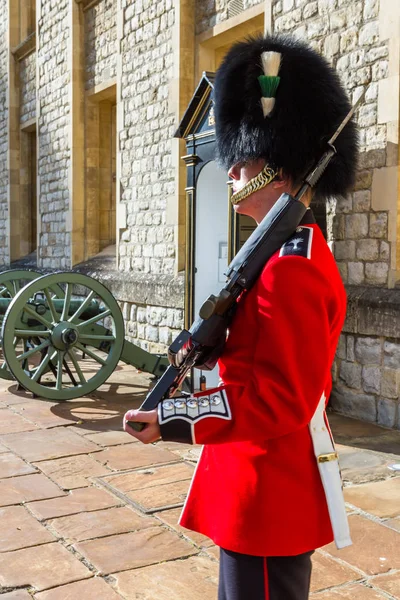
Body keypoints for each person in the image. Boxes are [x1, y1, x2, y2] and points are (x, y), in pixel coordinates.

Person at [124, 34, 358, 600]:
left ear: (274, 167)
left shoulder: (291, 266)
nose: (231, 170)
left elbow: (281, 398)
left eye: (241, 159)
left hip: (268, 487)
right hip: (253, 474)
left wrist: (177, 418)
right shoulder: (275, 254)